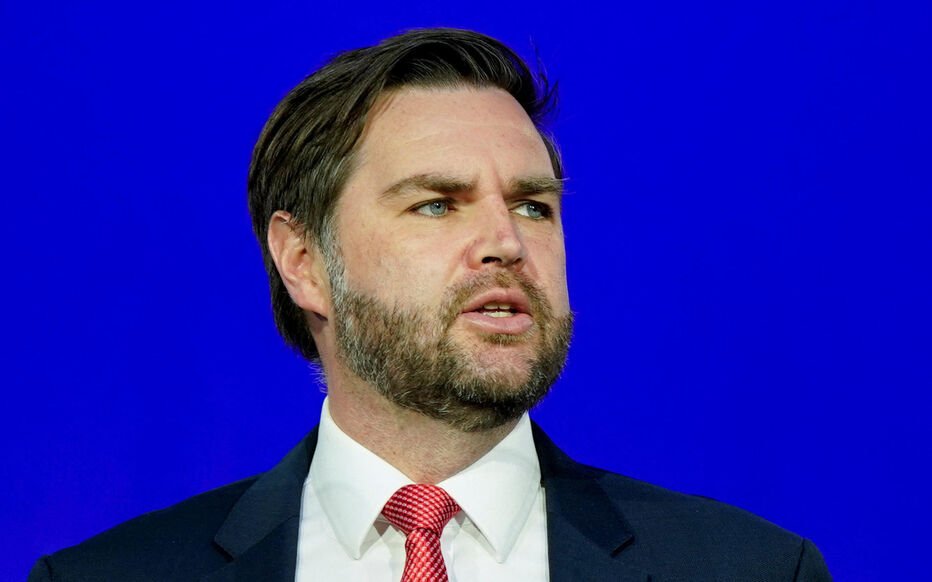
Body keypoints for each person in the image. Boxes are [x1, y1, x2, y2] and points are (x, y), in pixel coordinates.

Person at [29, 28, 831, 581]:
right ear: (304, 262)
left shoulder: (754, 569)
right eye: (438, 204)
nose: (505, 242)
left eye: (533, 206)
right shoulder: (107, 576)